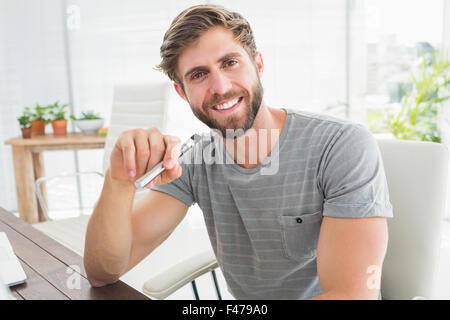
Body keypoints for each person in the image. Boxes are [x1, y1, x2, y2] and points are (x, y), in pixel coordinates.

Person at [83, 4, 393, 300]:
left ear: (257, 64)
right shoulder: (194, 160)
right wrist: (119, 180)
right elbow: (103, 273)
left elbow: (351, 294)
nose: (220, 86)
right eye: (198, 75)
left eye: (230, 63)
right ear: (182, 91)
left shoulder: (340, 146)